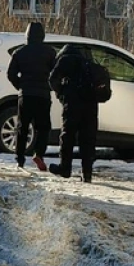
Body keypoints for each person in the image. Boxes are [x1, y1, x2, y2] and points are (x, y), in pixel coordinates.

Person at [6, 21, 57, 171]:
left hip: (25, 95)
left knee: (22, 127)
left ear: (27, 35)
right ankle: (39, 154)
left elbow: (10, 74)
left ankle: (20, 158)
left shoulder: (19, 52)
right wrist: (50, 86)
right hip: (43, 95)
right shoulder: (50, 52)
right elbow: (55, 73)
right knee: (43, 127)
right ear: (42, 35)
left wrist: (20, 85)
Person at [48, 44, 98, 183]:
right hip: (91, 105)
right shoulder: (88, 63)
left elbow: (52, 80)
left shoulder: (65, 60)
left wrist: (61, 94)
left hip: (73, 103)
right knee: (87, 139)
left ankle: (65, 168)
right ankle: (87, 173)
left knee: (68, 136)